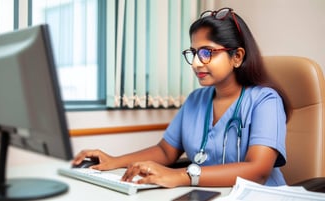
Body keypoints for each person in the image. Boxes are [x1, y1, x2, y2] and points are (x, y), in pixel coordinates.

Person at [72, 7, 291, 188]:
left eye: (207, 53)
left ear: (237, 57)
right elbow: (166, 151)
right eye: (194, 53)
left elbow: (258, 170)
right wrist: (114, 161)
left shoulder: (266, 101)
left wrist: (182, 176)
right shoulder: (197, 99)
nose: (196, 63)